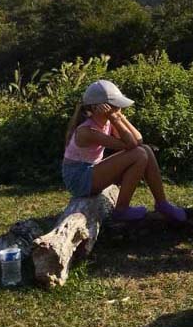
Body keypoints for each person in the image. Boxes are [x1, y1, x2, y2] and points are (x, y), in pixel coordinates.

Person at [62, 80, 186, 222]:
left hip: (91, 171)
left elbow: (139, 140)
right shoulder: (87, 131)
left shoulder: (107, 122)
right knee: (139, 154)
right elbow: (131, 145)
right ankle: (121, 210)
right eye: (115, 107)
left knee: (145, 150)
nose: (118, 109)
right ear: (99, 108)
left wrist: (119, 118)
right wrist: (115, 118)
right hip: (79, 179)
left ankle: (162, 203)